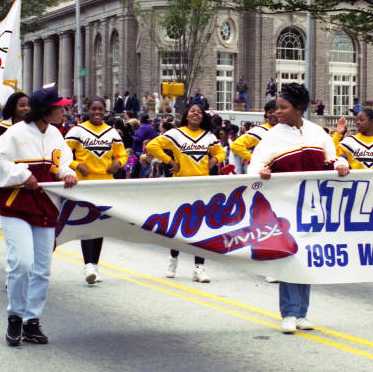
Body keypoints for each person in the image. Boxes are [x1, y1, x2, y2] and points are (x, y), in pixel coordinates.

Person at [248, 83, 350, 334]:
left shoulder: (318, 134)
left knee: (306, 258)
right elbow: (254, 167)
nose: (277, 112)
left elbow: (332, 158)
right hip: (284, 207)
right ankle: (289, 313)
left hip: (314, 207)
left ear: (299, 108)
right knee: (290, 257)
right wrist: (261, 172)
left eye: (283, 107)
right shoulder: (271, 137)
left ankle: (302, 313)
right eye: (276, 107)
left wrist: (341, 164)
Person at [0, 85, 77, 346]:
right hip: (17, 207)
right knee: (21, 263)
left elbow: (63, 161)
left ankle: (31, 321)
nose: (64, 111)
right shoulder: (15, 134)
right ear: (45, 111)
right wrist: (22, 175)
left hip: (46, 207)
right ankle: (15, 316)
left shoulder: (57, 134)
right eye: (59, 107)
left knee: (42, 269)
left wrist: (67, 173)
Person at [146, 102, 226, 282]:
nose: (195, 114)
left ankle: (199, 267)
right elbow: (152, 146)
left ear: (203, 116)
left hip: (202, 186)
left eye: (199, 112)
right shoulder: (176, 133)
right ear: (186, 114)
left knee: (201, 228)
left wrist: (214, 160)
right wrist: (170, 162)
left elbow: (221, 152)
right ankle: (173, 259)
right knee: (178, 226)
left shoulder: (208, 136)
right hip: (180, 186)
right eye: (192, 111)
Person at [64, 98, 128, 284]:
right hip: (84, 185)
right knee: (87, 225)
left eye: (100, 109)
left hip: (106, 185)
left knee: (99, 226)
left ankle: (95, 265)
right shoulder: (77, 131)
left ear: (106, 111)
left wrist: (118, 163)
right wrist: (77, 165)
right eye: (94, 109)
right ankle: (88, 265)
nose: (97, 112)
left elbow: (122, 154)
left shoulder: (112, 133)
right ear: (88, 110)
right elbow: (62, 154)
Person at [230, 100, 279, 172]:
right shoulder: (259, 130)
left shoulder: (285, 129)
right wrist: (253, 159)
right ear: (266, 114)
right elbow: (236, 146)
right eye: (270, 112)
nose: (273, 114)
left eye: (276, 111)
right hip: (263, 171)